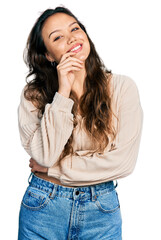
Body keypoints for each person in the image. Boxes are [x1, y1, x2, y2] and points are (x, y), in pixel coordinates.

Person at [18, 6, 143, 240]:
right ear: (48, 56)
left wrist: (54, 169)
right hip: (43, 208)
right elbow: (45, 155)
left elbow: (123, 163)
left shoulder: (122, 88)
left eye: (75, 28)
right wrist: (63, 92)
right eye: (57, 37)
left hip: (101, 211)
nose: (71, 37)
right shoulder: (33, 96)